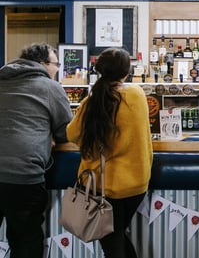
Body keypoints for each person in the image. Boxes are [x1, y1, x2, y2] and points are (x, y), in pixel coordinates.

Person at [66, 48, 153, 258]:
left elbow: (72, 134)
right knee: (117, 238)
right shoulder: (137, 95)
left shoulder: (91, 102)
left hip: (104, 187)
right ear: (127, 71)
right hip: (137, 184)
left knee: (113, 245)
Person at [0, 42, 73, 258]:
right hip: (23, 177)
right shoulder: (50, 87)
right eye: (56, 64)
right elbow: (66, 133)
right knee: (25, 243)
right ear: (42, 64)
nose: (57, 69)